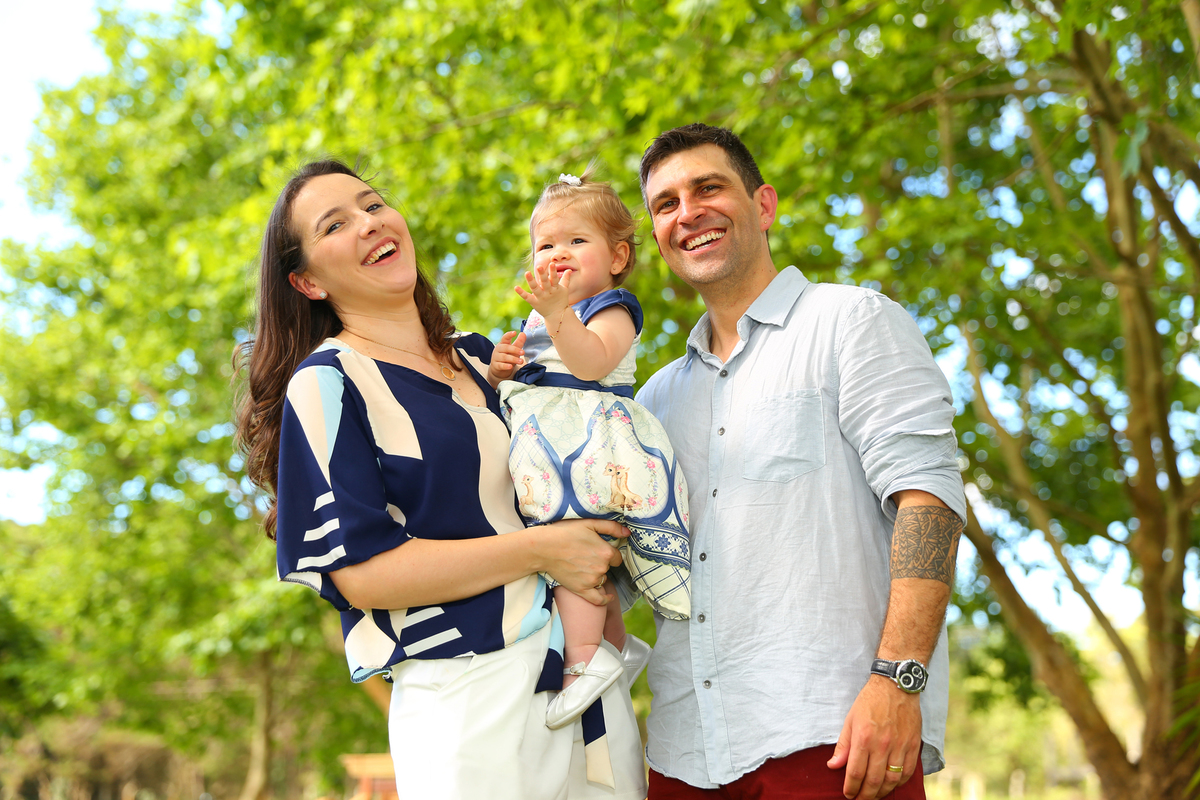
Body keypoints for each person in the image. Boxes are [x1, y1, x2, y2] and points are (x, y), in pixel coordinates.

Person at [233, 160, 647, 800]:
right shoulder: (328, 384)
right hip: (467, 699)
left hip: (587, 681)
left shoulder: (488, 358)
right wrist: (543, 550)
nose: (369, 224)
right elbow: (361, 576)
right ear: (308, 282)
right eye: (336, 224)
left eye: (373, 205)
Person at [634, 123, 966, 800]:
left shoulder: (851, 322)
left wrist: (898, 679)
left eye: (708, 188)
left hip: (839, 740)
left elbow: (928, 499)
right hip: (681, 754)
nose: (687, 212)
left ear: (763, 206)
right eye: (665, 204)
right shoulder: (653, 402)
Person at [486, 167, 692, 731]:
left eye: (577, 241)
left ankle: (582, 664)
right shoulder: (541, 316)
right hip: (550, 439)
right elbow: (535, 370)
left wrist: (554, 316)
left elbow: (591, 363)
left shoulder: (612, 307)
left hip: (590, 444)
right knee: (575, 557)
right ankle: (616, 649)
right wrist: (502, 367)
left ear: (618, 256)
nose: (559, 254)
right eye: (546, 244)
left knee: (571, 553)